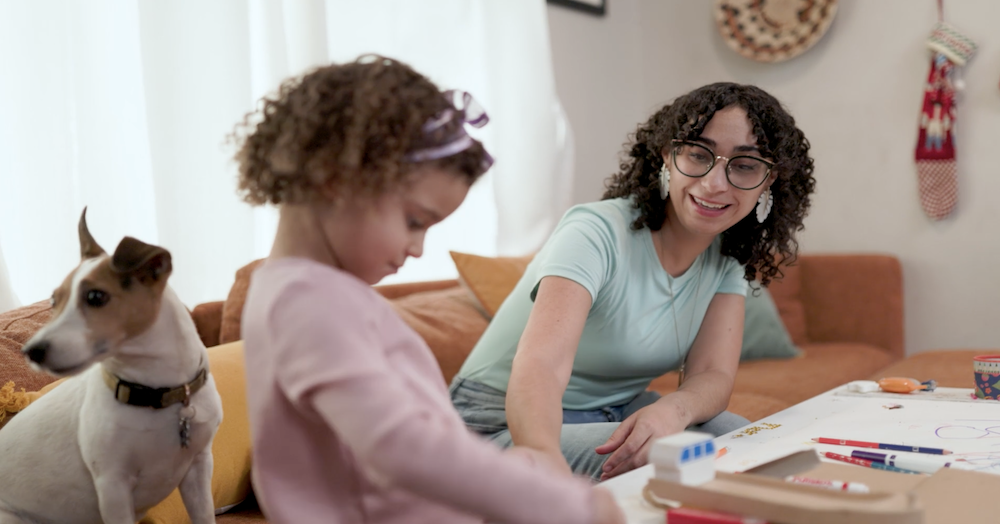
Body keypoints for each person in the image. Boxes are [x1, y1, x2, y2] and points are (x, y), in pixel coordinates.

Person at [233, 55, 625, 524]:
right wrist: (564, 504)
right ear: (335, 180)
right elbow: (398, 446)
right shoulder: (306, 301)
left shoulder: (306, 291)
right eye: (415, 221)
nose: (418, 248)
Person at [451, 82, 816, 482]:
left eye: (745, 165)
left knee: (760, 448)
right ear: (668, 156)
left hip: (620, 409)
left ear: (769, 181)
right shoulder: (595, 232)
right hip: (500, 421)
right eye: (698, 154)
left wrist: (673, 409)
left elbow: (712, 374)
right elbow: (541, 366)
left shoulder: (726, 257)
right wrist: (543, 462)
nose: (715, 183)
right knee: (692, 463)